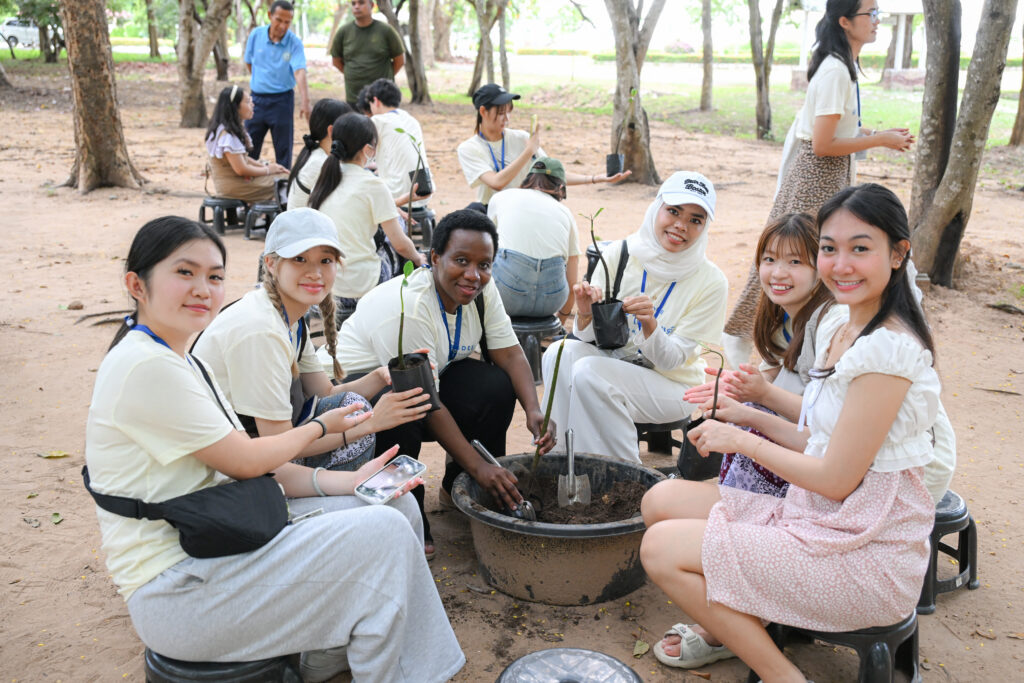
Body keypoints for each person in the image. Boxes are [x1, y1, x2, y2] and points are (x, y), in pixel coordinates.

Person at [84, 215, 464, 683]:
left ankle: (333, 656)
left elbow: (264, 469)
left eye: (214, 276)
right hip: (181, 590)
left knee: (396, 506)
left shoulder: (177, 359)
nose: (203, 288)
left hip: (220, 545)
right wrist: (325, 427)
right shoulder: (149, 366)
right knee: (382, 535)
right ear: (136, 285)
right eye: (184, 273)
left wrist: (352, 481)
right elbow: (252, 458)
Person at [641, 183, 939, 681]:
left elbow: (836, 478)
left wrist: (742, 441)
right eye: (829, 248)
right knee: (661, 508)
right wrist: (747, 415)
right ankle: (742, 625)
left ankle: (783, 676)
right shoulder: (844, 325)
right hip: (823, 519)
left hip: (865, 553)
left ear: (898, 253)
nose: (840, 264)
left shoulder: (887, 351)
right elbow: (819, 440)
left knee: (660, 548)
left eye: (860, 248)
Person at [334, 209, 556, 555]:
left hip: (424, 391)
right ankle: (406, 508)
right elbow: (423, 399)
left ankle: (461, 487)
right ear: (435, 258)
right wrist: (479, 465)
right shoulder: (408, 306)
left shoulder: (483, 289)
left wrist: (534, 409)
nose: (473, 275)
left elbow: (510, 353)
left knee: (494, 384)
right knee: (402, 402)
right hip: (357, 404)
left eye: (484, 264)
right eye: (461, 261)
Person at [721, 0, 914, 369]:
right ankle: (745, 338)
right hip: (816, 176)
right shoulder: (835, 71)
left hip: (828, 173)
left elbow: (836, 130)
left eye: (878, 14)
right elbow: (823, 144)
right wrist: (879, 141)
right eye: (870, 14)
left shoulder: (843, 67)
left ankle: (793, 349)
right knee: (792, 257)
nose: (876, 21)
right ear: (845, 21)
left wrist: (877, 133)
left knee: (812, 264)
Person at [192, 208, 432, 475]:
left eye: (326, 260)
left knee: (351, 404)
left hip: (258, 442)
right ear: (271, 264)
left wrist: (378, 376)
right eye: (299, 259)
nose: (315, 272)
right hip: (223, 468)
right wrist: (371, 424)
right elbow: (277, 445)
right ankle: (309, 511)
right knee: (358, 425)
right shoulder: (262, 330)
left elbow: (326, 393)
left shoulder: (287, 316)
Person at [539, 171, 728, 464]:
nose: (681, 225)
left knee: (590, 372)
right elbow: (590, 339)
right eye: (674, 211)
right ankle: (562, 460)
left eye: (695, 219)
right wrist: (587, 314)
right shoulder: (619, 254)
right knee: (560, 351)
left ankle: (622, 478)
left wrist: (650, 324)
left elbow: (672, 361)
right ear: (657, 206)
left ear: (704, 227)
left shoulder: (711, 282)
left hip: (673, 385)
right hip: (614, 363)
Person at [308, 111, 426, 309]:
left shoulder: (323, 180)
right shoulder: (373, 184)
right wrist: (418, 258)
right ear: (368, 150)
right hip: (362, 286)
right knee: (398, 235)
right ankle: (392, 310)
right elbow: (401, 245)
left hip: (326, 285)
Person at [456, 83, 630, 207]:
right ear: (483, 111)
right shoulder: (469, 149)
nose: (507, 119)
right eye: (501, 113)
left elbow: (552, 173)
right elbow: (496, 182)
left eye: (508, 112)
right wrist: (528, 152)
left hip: (525, 210)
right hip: (493, 215)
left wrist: (596, 178)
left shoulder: (521, 138)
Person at [487, 157, 580, 325]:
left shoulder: (502, 197)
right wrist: (560, 322)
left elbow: (485, 251)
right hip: (551, 301)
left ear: (528, 179)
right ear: (560, 187)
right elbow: (572, 283)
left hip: (505, 296)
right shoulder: (566, 213)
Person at [243, 0, 312, 168]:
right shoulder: (256, 35)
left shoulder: (294, 42)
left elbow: (299, 71)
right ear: (269, 16)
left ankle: (283, 188)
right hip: (256, 101)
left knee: (283, 149)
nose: (282, 26)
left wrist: (305, 101)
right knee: (248, 147)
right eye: (279, 20)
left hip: (282, 101)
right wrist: (262, 80)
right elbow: (249, 63)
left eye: (287, 22)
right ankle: (247, 187)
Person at [364, 78, 433, 225]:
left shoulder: (377, 121)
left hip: (397, 194)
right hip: (424, 191)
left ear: (375, 101)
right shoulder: (410, 119)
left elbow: (363, 156)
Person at [204, 85, 288, 203]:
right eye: (248, 102)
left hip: (232, 185)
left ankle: (260, 216)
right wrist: (268, 170)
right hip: (233, 187)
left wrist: (266, 167)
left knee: (281, 175)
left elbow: (243, 159)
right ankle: (277, 214)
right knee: (285, 180)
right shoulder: (227, 136)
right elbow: (241, 169)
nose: (252, 105)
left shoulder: (224, 129)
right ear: (236, 107)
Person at [330, 0, 405, 108]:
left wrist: (385, 77)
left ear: (372, 5)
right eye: (353, 3)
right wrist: (352, 73)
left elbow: (400, 60)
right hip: (353, 97)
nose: (356, 7)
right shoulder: (343, 32)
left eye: (361, 3)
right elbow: (336, 61)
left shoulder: (386, 31)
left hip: (381, 99)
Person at [287, 99, 352, 210]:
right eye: (348, 127)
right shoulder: (320, 163)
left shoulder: (314, 152)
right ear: (331, 130)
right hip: (306, 225)